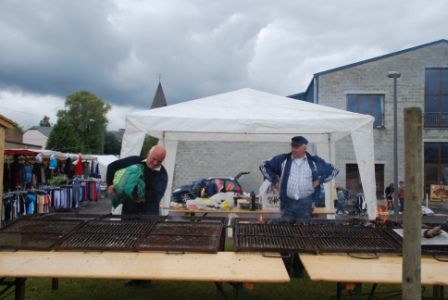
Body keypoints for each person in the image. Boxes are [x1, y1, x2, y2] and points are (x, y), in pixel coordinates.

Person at [259, 135, 339, 278]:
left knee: (303, 236)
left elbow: (333, 170)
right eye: (292, 146)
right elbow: (263, 165)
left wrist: (319, 181)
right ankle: (285, 267)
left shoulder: (314, 162)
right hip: (288, 203)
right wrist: (275, 181)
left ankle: (298, 269)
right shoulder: (283, 159)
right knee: (286, 234)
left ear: (304, 148)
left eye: (296, 147)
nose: (293, 149)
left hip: (305, 204)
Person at [106, 145, 168, 288]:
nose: (155, 163)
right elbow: (112, 167)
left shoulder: (162, 175)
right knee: (130, 243)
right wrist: (110, 184)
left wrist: (140, 196)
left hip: (149, 214)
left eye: (159, 161)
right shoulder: (134, 161)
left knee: (146, 246)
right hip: (129, 212)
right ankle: (132, 276)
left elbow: (157, 196)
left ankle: (146, 278)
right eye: (154, 159)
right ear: (148, 153)